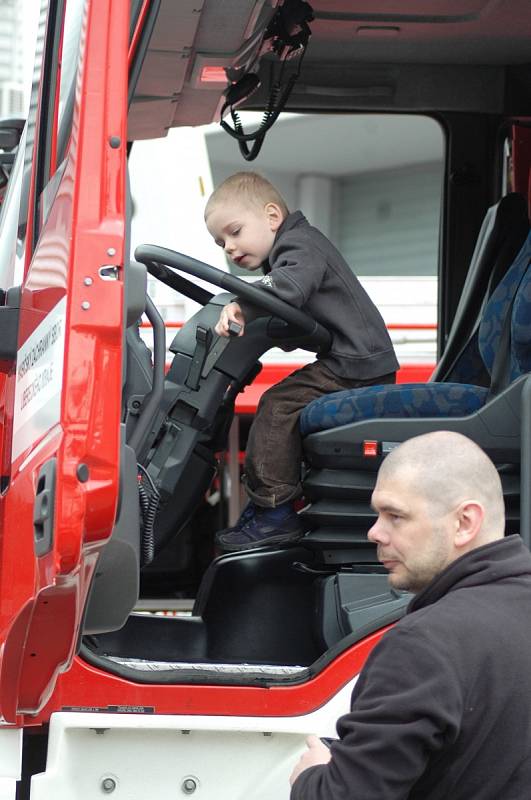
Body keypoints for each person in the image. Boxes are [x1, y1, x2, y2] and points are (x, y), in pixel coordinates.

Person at [290, 430, 531, 800]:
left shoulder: (424, 645)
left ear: (465, 523)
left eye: (395, 516)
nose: (374, 533)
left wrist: (311, 778)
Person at [204, 171, 399, 551]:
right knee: (284, 401)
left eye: (235, 231)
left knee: (278, 405)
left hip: (355, 366)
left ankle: (275, 513)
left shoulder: (299, 247)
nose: (228, 247)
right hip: (353, 360)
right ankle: (269, 505)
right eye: (220, 242)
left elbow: (289, 289)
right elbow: (302, 314)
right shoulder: (292, 251)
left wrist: (243, 305)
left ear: (272, 217)